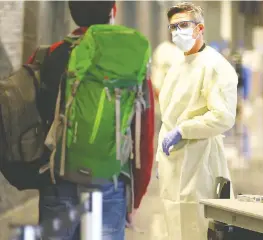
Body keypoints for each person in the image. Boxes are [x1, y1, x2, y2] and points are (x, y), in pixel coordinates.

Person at [28, 1, 154, 239]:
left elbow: (26, 122)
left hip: (58, 181)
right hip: (110, 183)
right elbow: (143, 136)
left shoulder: (48, 55)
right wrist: (136, 196)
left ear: (72, 12)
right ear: (113, 11)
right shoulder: (128, 61)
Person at [157, 2, 238, 240]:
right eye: (173, 27)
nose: (177, 31)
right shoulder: (178, 66)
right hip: (173, 159)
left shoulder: (215, 66)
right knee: (174, 223)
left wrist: (184, 130)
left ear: (199, 28)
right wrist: (159, 157)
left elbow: (223, 116)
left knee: (198, 226)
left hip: (200, 160)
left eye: (183, 25)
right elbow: (169, 116)